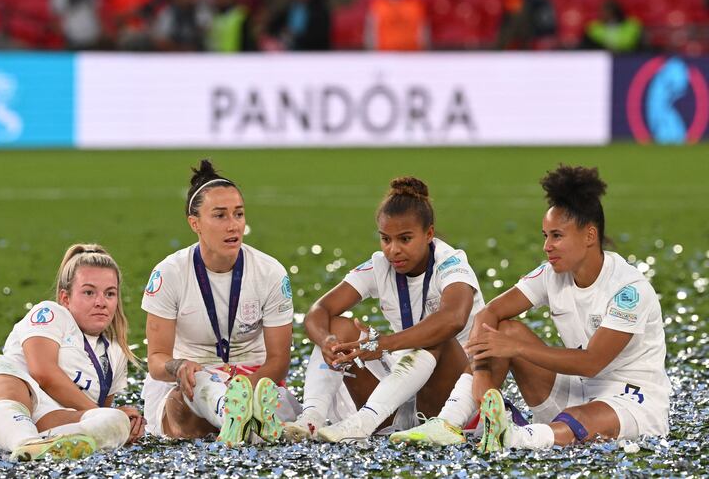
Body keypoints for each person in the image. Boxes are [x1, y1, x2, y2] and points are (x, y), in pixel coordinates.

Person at [399, 165, 671, 451]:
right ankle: (448, 422)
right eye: (545, 235)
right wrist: (480, 375)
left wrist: (517, 349)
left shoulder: (629, 291)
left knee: (577, 415)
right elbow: (489, 313)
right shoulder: (551, 274)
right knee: (505, 329)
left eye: (557, 236)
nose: (547, 246)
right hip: (576, 390)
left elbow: (592, 363)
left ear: (590, 236)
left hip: (633, 400)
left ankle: (512, 437)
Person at [285, 177, 485, 443]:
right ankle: (311, 418)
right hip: (405, 386)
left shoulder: (450, 262)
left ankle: (363, 423)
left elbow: (453, 319)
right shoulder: (379, 266)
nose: (393, 250)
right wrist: (327, 340)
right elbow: (318, 311)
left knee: (435, 335)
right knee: (338, 327)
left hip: (455, 399)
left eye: (404, 239)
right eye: (385, 239)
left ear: (428, 234)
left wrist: (384, 344)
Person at [141, 160, 298, 446]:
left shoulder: (270, 271)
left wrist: (243, 389)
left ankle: (241, 417)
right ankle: (235, 418)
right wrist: (179, 366)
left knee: (283, 406)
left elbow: (279, 360)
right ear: (195, 223)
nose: (233, 225)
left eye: (238, 214)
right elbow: (156, 360)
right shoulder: (169, 273)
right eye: (220, 215)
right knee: (193, 397)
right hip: (192, 380)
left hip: (254, 378)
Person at [0, 244, 144, 461]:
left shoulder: (115, 354)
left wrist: (121, 422)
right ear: (65, 298)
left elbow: (92, 415)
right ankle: (25, 443)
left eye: (110, 293)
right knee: (12, 385)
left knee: (115, 423)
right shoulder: (52, 313)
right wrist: (100, 412)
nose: (101, 302)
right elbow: (43, 374)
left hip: (45, 417)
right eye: (89, 292)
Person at [364, 0, 429, 52]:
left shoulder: (378, 6)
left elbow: (370, 35)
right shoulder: (416, 6)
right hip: (411, 56)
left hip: (385, 55)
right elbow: (424, 35)